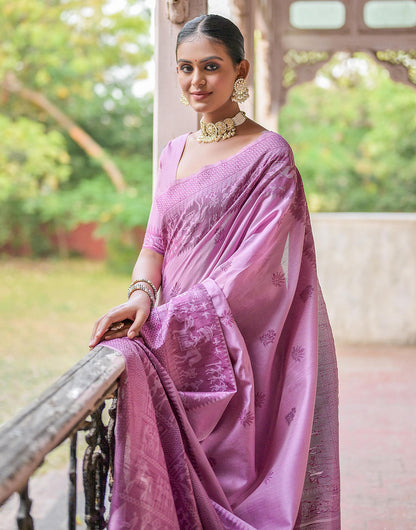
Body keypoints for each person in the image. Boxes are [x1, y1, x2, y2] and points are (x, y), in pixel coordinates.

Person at [90, 14, 340, 530]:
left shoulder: (269, 155)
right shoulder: (172, 153)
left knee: (235, 486)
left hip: (242, 343)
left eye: (211, 67)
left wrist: (176, 323)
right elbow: (154, 242)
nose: (196, 81)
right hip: (177, 333)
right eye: (185, 68)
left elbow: (257, 264)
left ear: (239, 69)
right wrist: (142, 296)